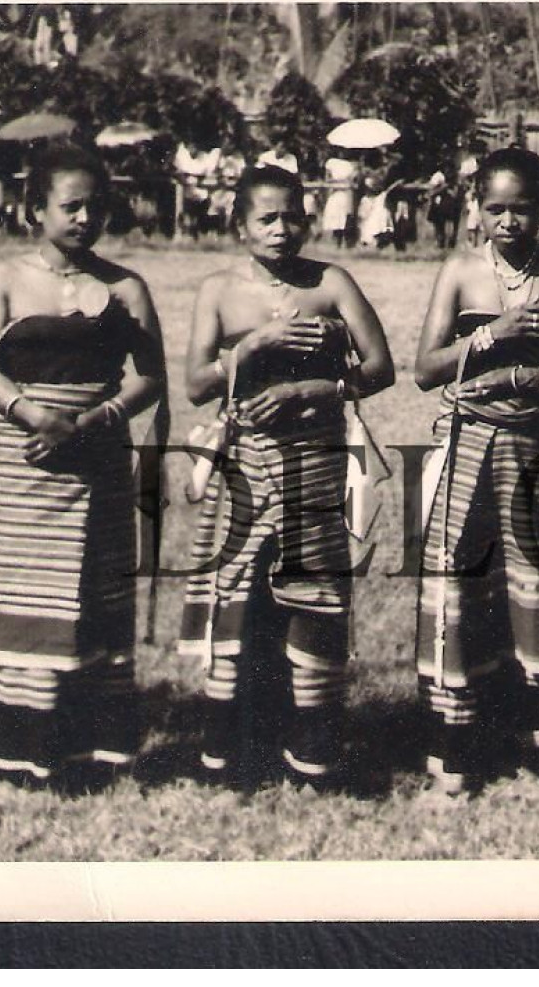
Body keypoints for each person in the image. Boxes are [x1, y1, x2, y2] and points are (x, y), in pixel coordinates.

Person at [412, 146, 539, 796]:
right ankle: (457, 739)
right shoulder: (457, 272)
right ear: (476, 210)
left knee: (536, 586)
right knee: (459, 582)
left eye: (523, 210)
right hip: (467, 441)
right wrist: (494, 336)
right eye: (495, 209)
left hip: (537, 449)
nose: (508, 223)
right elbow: (423, 369)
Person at [180, 164, 396, 784]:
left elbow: (380, 369)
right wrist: (250, 348)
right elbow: (196, 384)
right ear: (239, 226)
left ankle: (314, 752)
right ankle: (231, 751)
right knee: (238, 599)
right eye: (266, 219)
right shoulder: (219, 291)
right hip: (245, 468)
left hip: (317, 466)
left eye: (292, 217)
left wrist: (315, 387)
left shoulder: (332, 283)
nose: (281, 230)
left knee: (316, 602)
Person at [0, 144, 167, 785]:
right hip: (27, 461)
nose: (84, 217)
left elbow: (151, 378)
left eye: (96, 206)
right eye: (70, 205)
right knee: (29, 591)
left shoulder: (126, 285)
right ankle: (24, 749)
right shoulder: (6, 276)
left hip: (98, 457)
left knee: (95, 588)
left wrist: (91, 421)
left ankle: (95, 749)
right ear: (35, 210)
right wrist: (34, 416)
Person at [320, 153, 357, 249]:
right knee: (335, 219)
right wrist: (338, 182)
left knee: (344, 218)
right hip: (335, 194)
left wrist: (344, 182)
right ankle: (336, 244)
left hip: (345, 195)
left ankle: (346, 243)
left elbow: (352, 182)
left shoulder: (351, 165)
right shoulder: (331, 162)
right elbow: (327, 179)